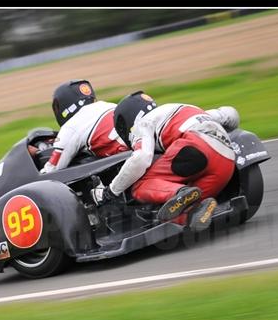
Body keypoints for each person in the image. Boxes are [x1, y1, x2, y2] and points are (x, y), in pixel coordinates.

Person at [93, 91, 240, 231]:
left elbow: (141, 159)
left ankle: (180, 192)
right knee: (174, 213)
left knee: (139, 186)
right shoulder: (189, 108)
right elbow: (231, 114)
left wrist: (111, 191)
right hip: (226, 162)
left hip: (196, 146)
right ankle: (198, 208)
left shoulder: (143, 123)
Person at [38, 80, 129, 174]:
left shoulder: (71, 126)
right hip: (136, 146)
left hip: (133, 156)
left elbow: (52, 169)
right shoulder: (109, 105)